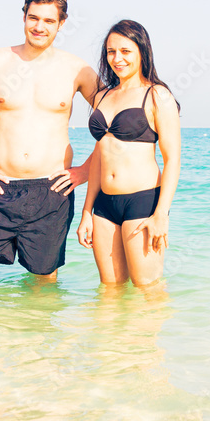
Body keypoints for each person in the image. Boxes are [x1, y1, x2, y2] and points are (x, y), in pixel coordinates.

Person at [0, 0, 99, 289]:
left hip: (51, 192)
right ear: (24, 16)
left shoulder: (77, 70)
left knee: (44, 287)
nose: (39, 27)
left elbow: (115, 123)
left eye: (49, 21)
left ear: (62, 23)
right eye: (33, 18)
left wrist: (84, 170)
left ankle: (30, 338)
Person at [77, 20, 181, 287]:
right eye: (111, 52)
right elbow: (100, 156)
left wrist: (161, 215)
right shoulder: (103, 96)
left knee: (148, 290)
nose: (117, 58)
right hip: (104, 205)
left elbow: (172, 161)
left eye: (125, 51)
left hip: (143, 203)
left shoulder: (157, 96)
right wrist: (87, 211)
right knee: (109, 292)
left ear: (142, 52)